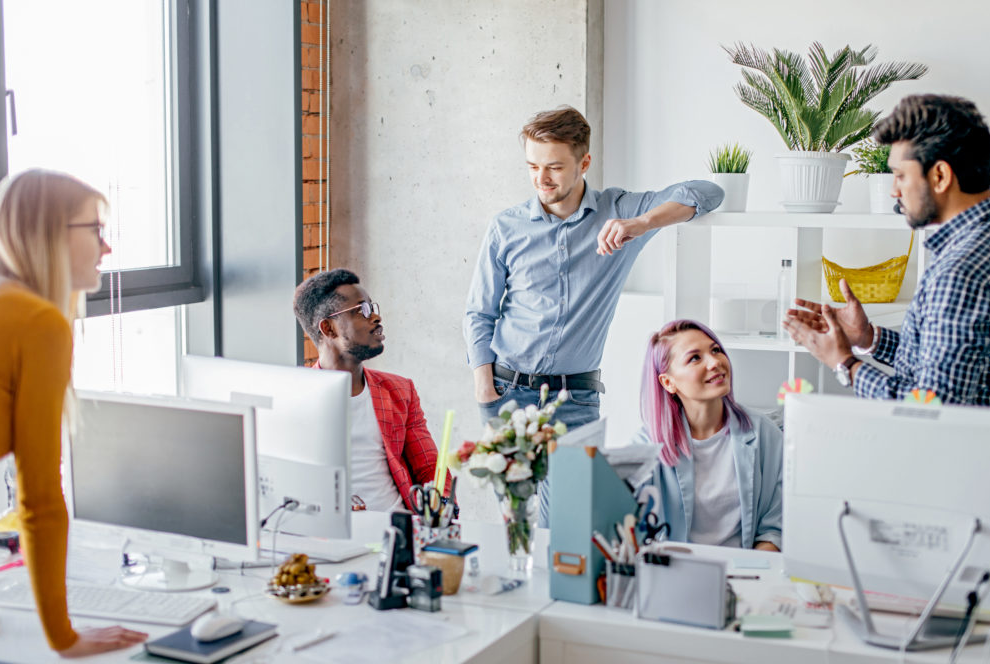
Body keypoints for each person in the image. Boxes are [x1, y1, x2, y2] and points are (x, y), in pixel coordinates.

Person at [464, 106, 723, 524]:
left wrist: (641, 223)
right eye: (532, 166)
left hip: (575, 400)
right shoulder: (506, 227)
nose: (541, 179)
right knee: (517, 524)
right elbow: (480, 312)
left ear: (584, 163)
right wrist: (484, 388)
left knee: (569, 525)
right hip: (506, 392)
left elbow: (707, 193)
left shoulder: (618, 213)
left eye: (554, 167)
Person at [0, 170, 148, 655]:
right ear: (49, 233)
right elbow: (39, 498)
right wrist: (65, 637)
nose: (107, 249)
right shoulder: (36, 321)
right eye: (95, 230)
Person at [784, 95, 990, 405]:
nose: (894, 190)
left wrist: (844, 363)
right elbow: (950, 361)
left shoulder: (961, 274)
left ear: (940, 176)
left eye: (901, 175)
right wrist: (868, 337)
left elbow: (933, 407)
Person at [293, 269, 448, 512]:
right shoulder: (296, 398)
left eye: (372, 307)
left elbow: (428, 466)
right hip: (331, 534)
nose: (375, 317)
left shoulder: (400, 390)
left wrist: (443, 506)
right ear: (329, 328)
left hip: (399, 532)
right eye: (362, 311)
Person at [636, 320, 782, 550]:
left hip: (746, 573)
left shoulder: (766, 435)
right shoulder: (645, 446)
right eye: (695, 358)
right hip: (677, 573)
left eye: (715, 350)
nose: (715, 362)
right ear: (668, 382)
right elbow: (633, 528)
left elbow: (775, 528)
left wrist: (742, 576)